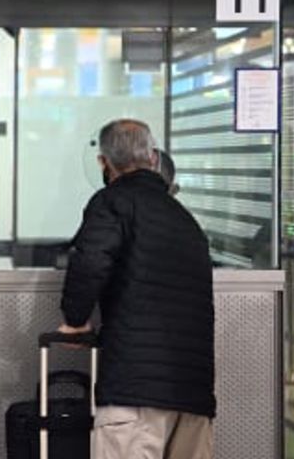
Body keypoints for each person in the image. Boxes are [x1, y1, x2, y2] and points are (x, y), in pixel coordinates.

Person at [59, 120, 215, 459]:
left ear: (104, 163)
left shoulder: (112, 202)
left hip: (135, 393)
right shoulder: (184, 219)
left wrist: (74, 321)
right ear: (154, 158)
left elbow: (90, 262)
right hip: (193, 396)